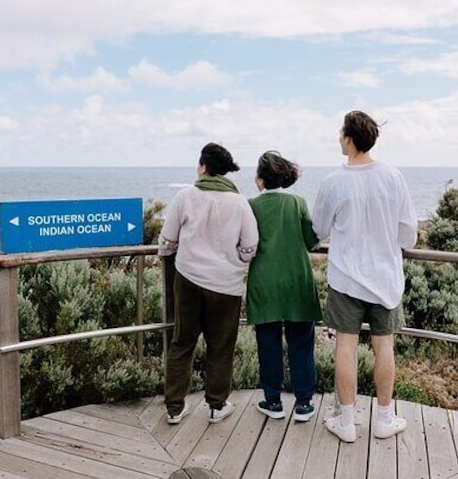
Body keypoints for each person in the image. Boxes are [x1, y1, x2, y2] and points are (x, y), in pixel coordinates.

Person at [312, 110, 418, 443]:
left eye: (340, 132)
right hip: (386, 279)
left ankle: (346, 422)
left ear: (349, 138)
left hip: (346, 279)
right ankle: (385, 418)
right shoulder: (393, 177)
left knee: (346, 347)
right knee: (384, 347)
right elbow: (409, 235)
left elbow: (319, 229)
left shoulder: (333, 182)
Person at [158, 142, 259, 425]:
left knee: (182, 343)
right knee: (221, 345)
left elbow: (167, 240)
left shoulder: (186, 195)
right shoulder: (240, 202)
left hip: (188, 280)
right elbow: (250, 246)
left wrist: (169, 255)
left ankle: (174, 408)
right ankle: (216, 406)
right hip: (226, 285)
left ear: (203, 167)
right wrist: (235, 261)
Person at [246, 151, 323, 422]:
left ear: (260, 179)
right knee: (301, 342)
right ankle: (303, 403)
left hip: (265, 282)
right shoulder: (298, 202)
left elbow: (246, 243)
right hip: (297, 281)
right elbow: (311, 240)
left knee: (268, 343)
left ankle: (273, 400)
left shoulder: (251, 206)